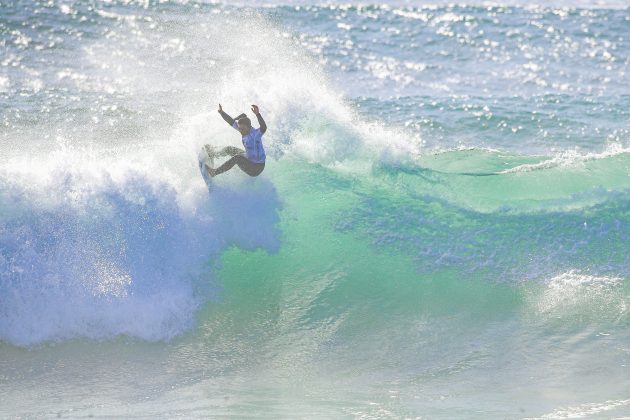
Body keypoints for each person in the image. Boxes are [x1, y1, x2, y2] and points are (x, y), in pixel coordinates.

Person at [205, 104, 267, 177]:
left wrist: (257, 114)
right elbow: (231, 121)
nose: (240, 131)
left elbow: (263, 127)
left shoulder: (255, 135)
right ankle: (213, 154)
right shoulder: (243, 129)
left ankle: (214, 172)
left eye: (242, 129)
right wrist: (221, 112)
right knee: (229, 149)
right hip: (249, 157)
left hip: (256, 168)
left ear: (249, 127)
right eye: (239, 128)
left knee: (237, 158)